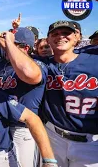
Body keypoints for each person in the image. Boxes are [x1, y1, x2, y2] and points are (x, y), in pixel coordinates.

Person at [0, 26, 48, 167]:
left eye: (13, 45)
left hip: (24, 129)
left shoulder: (36, 64)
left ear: (25, 48)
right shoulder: (0, 65)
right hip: (1, 126)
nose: (7, 47)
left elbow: (30, 75)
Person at [42, 20, 98, 167]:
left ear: (77, 37)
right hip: (53, 136)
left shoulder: (94, 60)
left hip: (89, 142)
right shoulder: (42, 64)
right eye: (55, 34)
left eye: (66, 33)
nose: (60, 36)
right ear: (48, 39)